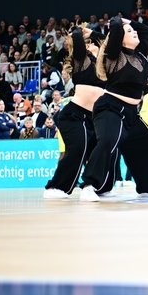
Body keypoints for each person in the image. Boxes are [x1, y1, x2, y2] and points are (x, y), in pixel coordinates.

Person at [80, 17, 148, 202]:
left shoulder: (140, 53)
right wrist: (118, 21)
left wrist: (130, 22)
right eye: (129, 31)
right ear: (119, 37)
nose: (134, 31)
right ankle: (89, 185)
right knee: (109, 141)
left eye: (134, 30)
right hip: (111, 108)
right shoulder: (114, 54)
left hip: (132, 113)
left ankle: (147, 188)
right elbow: (116, 28)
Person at [44, 27, 105, 199]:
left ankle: (92, 186)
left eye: (94, 43)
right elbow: (77, 37)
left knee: (100, 151)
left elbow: (108, 41)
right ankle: (55, 187)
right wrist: (82, 32)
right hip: (74, 115)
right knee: (77, 149)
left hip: (94, 118)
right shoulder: (82, 60)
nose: (94, 45)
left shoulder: (106, 66)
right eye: (90, 44)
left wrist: (93, 35)